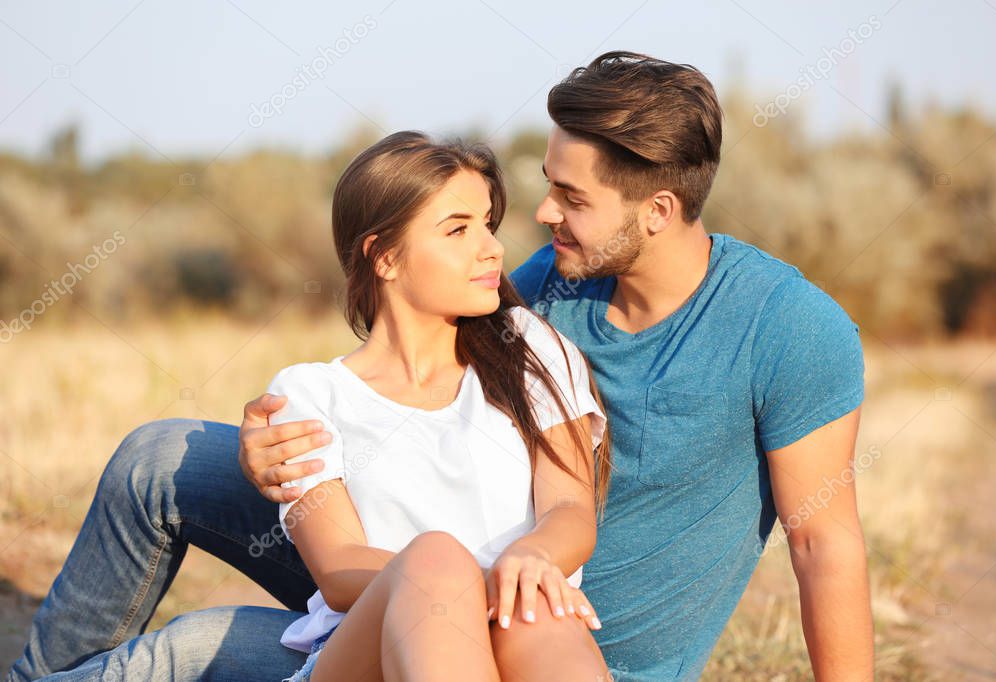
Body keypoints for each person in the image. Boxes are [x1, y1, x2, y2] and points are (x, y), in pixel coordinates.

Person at [9, 51, 873, 682]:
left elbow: (821, 541)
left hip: (559, 625)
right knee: (160, 460)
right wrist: (264, 435)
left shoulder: (785, 329)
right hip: (401, 575)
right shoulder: (538, 292)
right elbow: (397, 362)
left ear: (655, 210)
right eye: (543, 186)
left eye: (570, 199)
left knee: (195, 649)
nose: (538, 217)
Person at [265, 130, 613, 680]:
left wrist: (532, 559)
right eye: (457, 229)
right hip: (365, 654)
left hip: (517, 626)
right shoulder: (309, 395)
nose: (492, 247)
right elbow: (337, 567)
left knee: (537, 610)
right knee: (434, 562)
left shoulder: (530, 348)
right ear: (383, 257)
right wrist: (469, 581)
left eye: (488, 225)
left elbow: (570, 511)